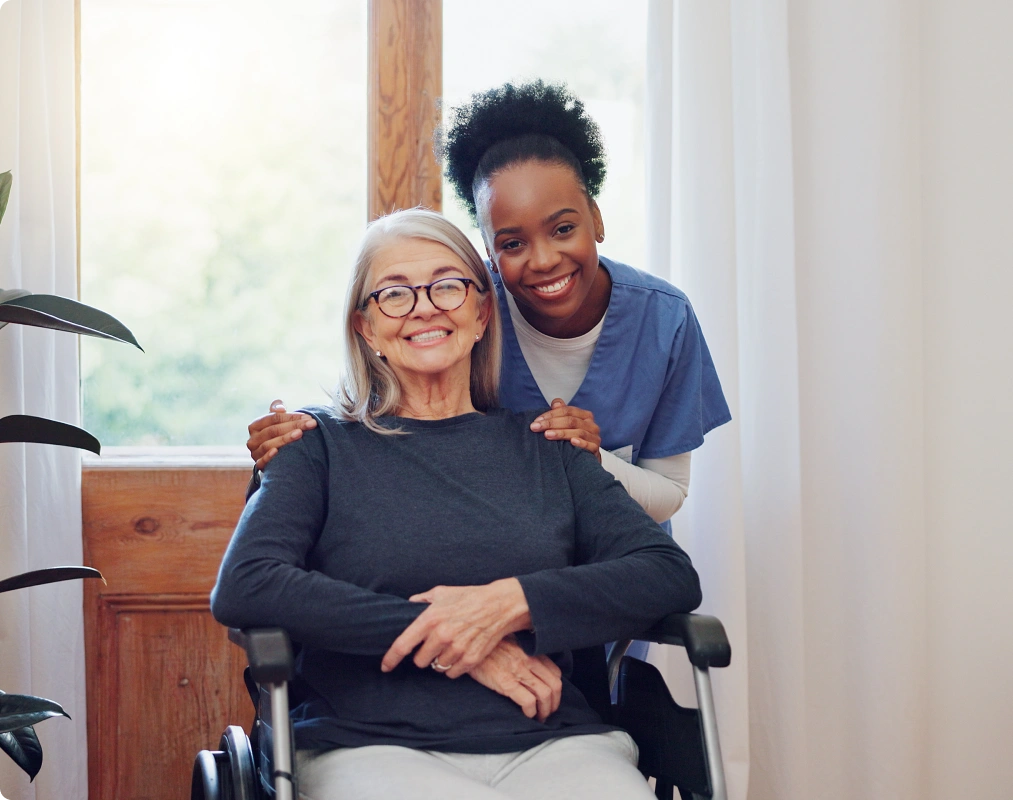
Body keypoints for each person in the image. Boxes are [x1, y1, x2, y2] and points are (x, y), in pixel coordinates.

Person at [211, 209, 702, 799]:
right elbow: (248, 584)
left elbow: (667, 575)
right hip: (371, 745)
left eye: (447, 285)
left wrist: (508, 604)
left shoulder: (550, 446)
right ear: (365, 327)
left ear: (481, 311)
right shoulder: (314, 447)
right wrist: (453, 637)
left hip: (555, 743)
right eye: (393, 293)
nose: (424, 307)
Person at [245, 81, 730, 531]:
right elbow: (391, 413)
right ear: (487, 252)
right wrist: (303, 438)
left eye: (564, 229)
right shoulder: (457, 307)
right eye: (512, 243)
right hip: (495, 559)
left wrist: (590, 456)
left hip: (614, 566)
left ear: (596, 218)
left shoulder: (665, 320)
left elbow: (669, 493)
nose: (543, 260)